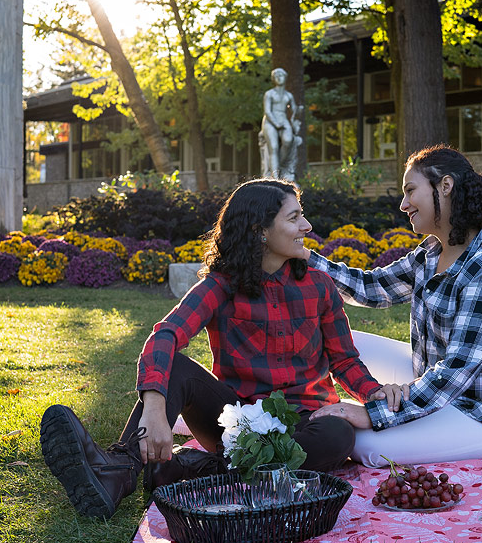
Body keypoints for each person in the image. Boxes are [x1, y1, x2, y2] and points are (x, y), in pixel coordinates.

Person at [39, 179, 402, 518]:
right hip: (233, 422)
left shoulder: (320, 286)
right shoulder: (220, 286)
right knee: (177, 368)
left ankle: (189, 469)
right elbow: (166, 335)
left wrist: (373, 395)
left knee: (338, 434)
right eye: (294, 217)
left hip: (303, 424)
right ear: (260, 231)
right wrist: (154, 404)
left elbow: (345, 360)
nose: (307, 226)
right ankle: (118, 472)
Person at [308, 144, 482, 467]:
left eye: (410, 190)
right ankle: (309, 405)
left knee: (366, 447)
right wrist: (306, 259)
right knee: (332, 341)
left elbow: (457, 369)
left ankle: (359, 411)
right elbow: (373, 287)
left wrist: (371, 414)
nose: (403, 204)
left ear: (445, 186)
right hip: (434, 382)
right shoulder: (431, 252)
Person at [260, 68, 299, 181]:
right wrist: (276, 124)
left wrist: (297, 111)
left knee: (288, 140)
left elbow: (294, 110)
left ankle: (279, 165)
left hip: (283, 119)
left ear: (285, 78)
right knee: (274, 147)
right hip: (270, 120)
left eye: (281, 75)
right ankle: (275, 177)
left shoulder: (289, 95)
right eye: (276, 76)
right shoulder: (269, 94)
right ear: (273, 79)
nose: (278, 77)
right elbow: (267, 111)